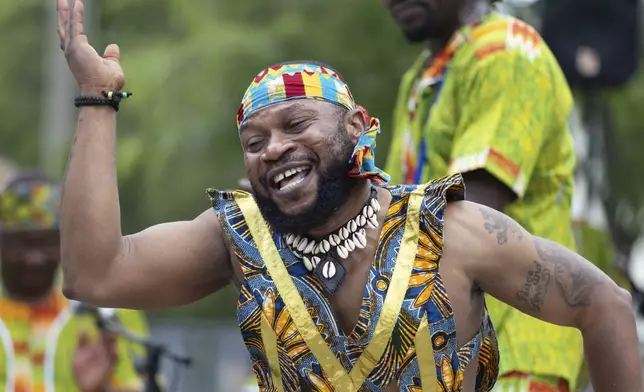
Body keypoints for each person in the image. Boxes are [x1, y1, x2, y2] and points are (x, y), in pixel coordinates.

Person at [55, 0, 643, 391]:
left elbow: (606, 305)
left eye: (297, 125)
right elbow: (94, 274)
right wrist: (97, 100)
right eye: (254, 141)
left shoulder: (450, 229)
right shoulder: (240, 237)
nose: (273, 148)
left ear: (357, 127)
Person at [382, 0, 589, 390]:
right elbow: (391, 209)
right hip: (446, 356)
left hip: (515, 351)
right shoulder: (422, 77)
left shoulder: (505, 52)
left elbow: (469, 217)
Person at [0, 170, 149, 392]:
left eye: (47, 242)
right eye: (22, 242)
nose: (34, 258)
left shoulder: (106, 313)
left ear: (65, 242)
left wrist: (101, 389)